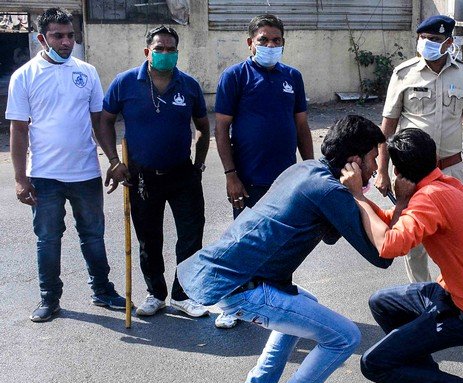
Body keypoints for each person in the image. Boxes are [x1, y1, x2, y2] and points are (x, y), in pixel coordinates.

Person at [176, 115, 392, 383]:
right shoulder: (329, 191)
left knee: (305, 306)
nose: (377, 168)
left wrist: (350, 198)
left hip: (231, 276)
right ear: (354, 160)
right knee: (345, 337)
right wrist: (360, 198)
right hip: (244, 288)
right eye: (373, 158)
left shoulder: (305, 170)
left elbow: (332, 234)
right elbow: (382, 256)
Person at [340, 128, 463, 383]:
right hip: (453, 293)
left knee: (374, 363)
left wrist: (359, 198)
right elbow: (393, 220)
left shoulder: (430, 198)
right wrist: (395, 201)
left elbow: (388, 245)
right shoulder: (445, 184)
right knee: (382, 302)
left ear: (400, 172)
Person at [6, 8, 126, 322]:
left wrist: (113, 160)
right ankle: (49, 299)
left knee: (94, 236)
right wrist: (20, 179)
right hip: (44, 176)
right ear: (42, 38)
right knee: (47, 239)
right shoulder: (25, 76)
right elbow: (18, 130)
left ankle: (102, 291)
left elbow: (99, 121)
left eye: (70, 35)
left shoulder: (87, 72)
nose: (66, 41)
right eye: (58, 36)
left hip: (85, 172)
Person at [99, 25, 211, 318]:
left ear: (177, 52)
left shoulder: (189, 86)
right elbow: (104, 121)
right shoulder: (125, 83)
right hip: (141, 177)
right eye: (158, 48)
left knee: (190, 235)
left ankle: (183, 294)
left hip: (182, 174)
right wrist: (114, 160)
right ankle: (156, 293)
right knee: (149, 238)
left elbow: (203, 128)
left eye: (170, 49)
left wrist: (198, 165)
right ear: (147, 51)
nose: (164, 53)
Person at [213, 13, 314, 328]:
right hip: (247, 180)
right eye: (264, 40)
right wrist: (231, 174)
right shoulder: (235, 77)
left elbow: (301, 126)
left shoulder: (292, 77)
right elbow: (221, 130)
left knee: (281, 245)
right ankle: (235, 305)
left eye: (276, 41)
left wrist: (310, 168)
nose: (271, 45)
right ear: (250, 43)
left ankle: (276, 302)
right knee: (245, 244)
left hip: (285, 181)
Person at [376, 15, 463, 284]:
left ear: (448, 43)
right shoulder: (404, 73)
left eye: (435, 40)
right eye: (423, 38)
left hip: (451, 170)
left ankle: (459, 295)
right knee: (414, 243)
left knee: (458, 237)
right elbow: (387, 128)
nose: (427, 44)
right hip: (412, 174)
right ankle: (421, 296)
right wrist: (381, 170)